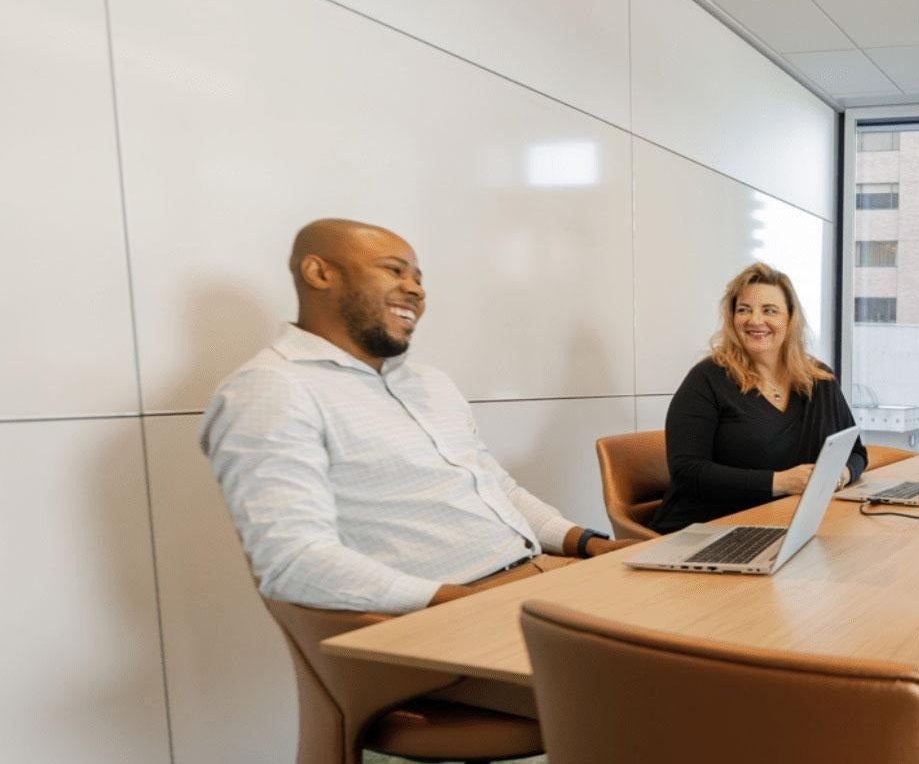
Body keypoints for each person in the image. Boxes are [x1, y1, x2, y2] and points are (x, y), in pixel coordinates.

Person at [201, 218, 633, 615]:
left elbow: (497, 490)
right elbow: (293, 562)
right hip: (453, 612)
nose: (415, 289)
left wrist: (589, 543)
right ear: (319, 273)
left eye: (418, 278)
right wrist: (464, 605)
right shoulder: (271, 389)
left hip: (538, 575)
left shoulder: (429, 383)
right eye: (394, 270)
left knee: (687, 612)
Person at [651, 262, 868, 534]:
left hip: (787, 526)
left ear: (790, 319)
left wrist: (842, 474)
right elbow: (687, 472)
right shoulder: (706, 379)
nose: (755, 320)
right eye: (744, 310)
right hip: (707, 532)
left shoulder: (820, 379)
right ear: (732, 319)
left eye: (769, 310)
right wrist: (781, 482)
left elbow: (856, 452)